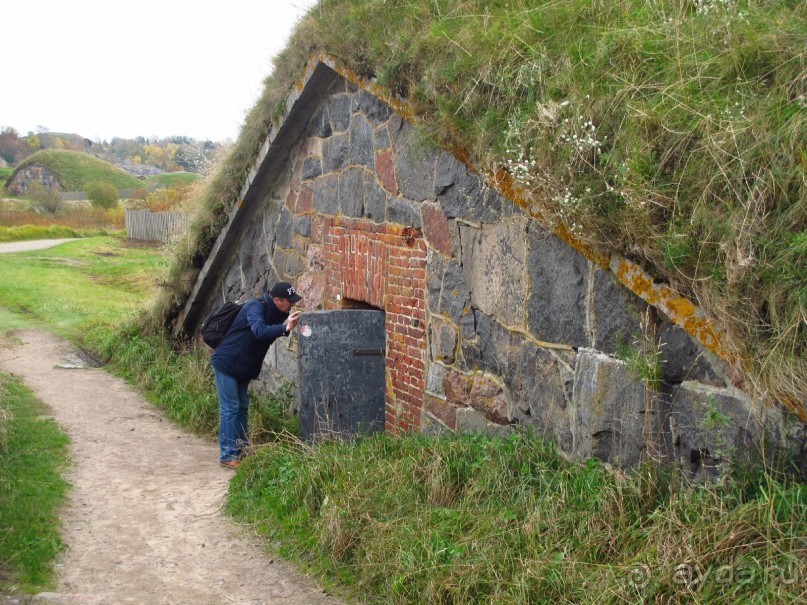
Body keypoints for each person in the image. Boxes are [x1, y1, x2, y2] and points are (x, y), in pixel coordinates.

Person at [210, 281, 301, 469]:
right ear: (277, 300)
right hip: (227, 362)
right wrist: (285, 327)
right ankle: (227, 455)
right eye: (289, 301)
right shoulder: (255, 307)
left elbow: (267, 334)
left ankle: (242, 450)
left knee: (242, 406)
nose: (292, 304)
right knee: (230, 408)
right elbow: (259, 331)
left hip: (243, 366)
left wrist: (285, 324)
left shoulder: (275, 311)